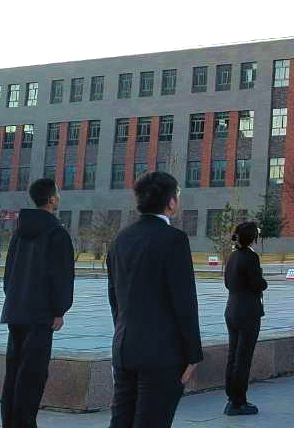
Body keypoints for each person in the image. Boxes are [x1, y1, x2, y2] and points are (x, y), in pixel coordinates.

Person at [107, 171, 203, 428]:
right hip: (162, 353)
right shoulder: (174, 240)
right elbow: (184, 300)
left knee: (121, 420)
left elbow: (115, 297)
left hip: (124, 347)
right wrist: (193, 353)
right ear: (171, 202)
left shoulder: (120, 239)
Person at [0, 177, 75, 428]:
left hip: (16, 310)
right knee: (33, 374)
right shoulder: (57, 233)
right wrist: (59, 309)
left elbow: (9, 273)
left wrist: (14, 298)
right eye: (57, 194)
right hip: (41, 314)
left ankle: (10, 422)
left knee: (14, 371)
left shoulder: (19, 232)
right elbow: (61, 275)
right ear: (51, 199)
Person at [223, 221, 268, 417]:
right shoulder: (251, 257)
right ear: (253, 238)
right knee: (243, 359)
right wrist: (264, 283)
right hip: (248, 312)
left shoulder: (232, 256)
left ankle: (231, 397)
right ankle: (239, 401)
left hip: (232, 310)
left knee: (233, 356)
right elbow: (257, 283)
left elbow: (227, 282)